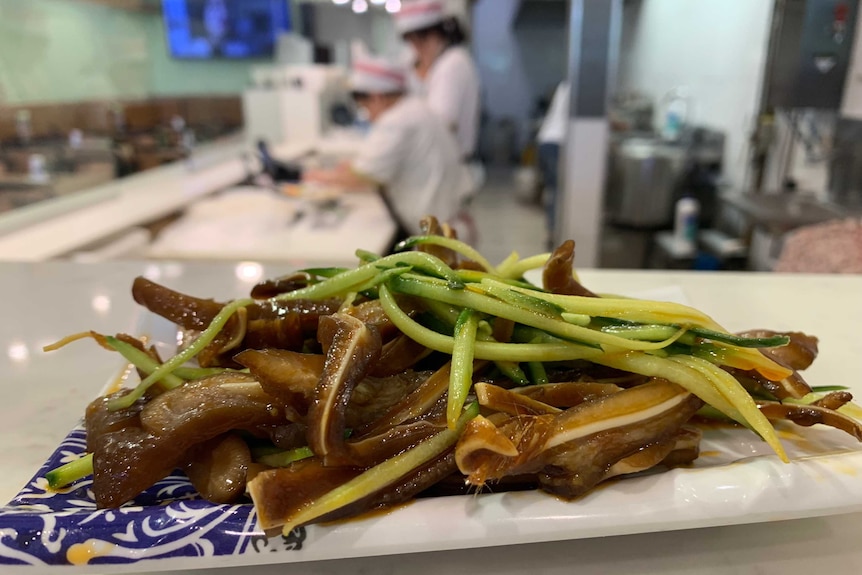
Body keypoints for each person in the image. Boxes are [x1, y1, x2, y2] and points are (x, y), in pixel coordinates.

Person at [302, 45, 471, 240]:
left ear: (377, 97)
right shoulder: (414, 108)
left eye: (364, 106)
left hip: (439, 233)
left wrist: (314, 176)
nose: (367, 114)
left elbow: (363, 177)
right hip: (449, 219)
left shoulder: (396, 121)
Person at [394, 0, 481, 161]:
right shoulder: (413, 62)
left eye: (422, 40)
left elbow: (441, 123)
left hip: (450, 161)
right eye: (412, 41)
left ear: (438, 33)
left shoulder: (453, 63)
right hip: (431, 159)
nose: (417, 47)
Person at [536, 82, 569, 245]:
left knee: (553, 190)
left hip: (547, 140)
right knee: (557, 191)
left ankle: (552, 232)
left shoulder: (565, 85)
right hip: (557, 142)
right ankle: (553, 234)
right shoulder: (579, 85)